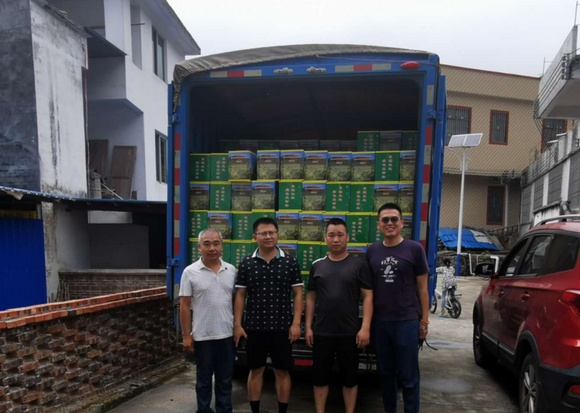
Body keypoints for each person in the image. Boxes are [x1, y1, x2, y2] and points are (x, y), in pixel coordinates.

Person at [233, 217, 304, 413]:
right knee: (255, 370)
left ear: (277, 235)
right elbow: (240, 295)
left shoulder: (290, 261)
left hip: (282, 327)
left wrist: (296, 323)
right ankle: (254, 410)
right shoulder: (246, 262)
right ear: (254, 237)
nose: (268, 236)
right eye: (263, 233)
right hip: (254, 327)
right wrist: (237, 324)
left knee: (282, 371)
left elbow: (298, 294)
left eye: (272, 232)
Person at [366, 203, 429, 413]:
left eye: (394, 219)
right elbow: (368, 290)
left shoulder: (414, 249)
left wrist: (424, 321)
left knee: (409, 377)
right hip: (380, 323)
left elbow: (422, 288)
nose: (390, 223)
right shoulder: (372, 251)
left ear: (402, 223)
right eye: (385, 220)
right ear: (379, 225)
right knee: (386, 375)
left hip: (406, 322)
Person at [305, 217, 373, 413]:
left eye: (340, 235)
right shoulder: (317, 265)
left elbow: (368, 297)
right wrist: (308, 327)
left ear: (347, 237)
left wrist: (365, 328)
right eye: (331, 235)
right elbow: (311, 297)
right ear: (325, 238)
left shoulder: (358, 265)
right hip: (322, 332)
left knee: (350, 379)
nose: (336, 239)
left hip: (350, 333)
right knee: (320, 378)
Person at [179, 228, 237, 413]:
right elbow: (184, 305)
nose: (212, 248)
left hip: (226, 335)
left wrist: (237, 327)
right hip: (203, 336)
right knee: (203, 381)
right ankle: (203, 410)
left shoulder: (231, 270)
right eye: (207, 244)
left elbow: (235, 301)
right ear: (199, 247)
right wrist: (186, 335)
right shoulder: (190, 272)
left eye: (216, 243)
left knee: (225, 380)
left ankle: (224, 410)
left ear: (222, 245)